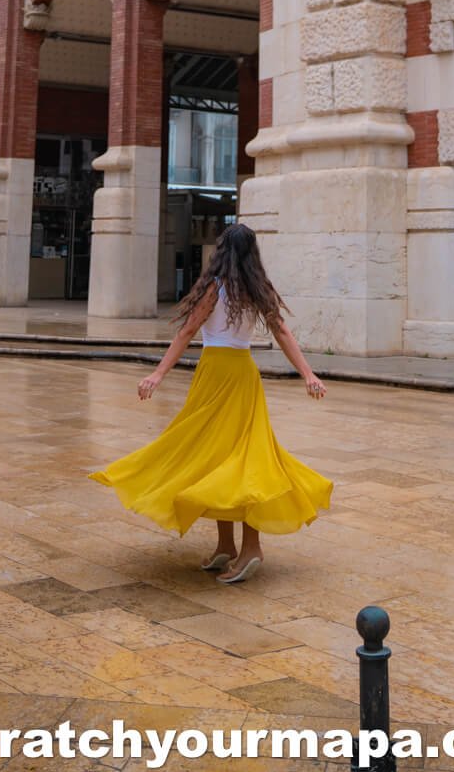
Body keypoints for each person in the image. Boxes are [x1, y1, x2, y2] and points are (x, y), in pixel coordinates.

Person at [88, 221, 331, 584]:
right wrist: (308, 374)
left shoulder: (215, 288)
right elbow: (282, 332)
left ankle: (250, 549)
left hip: (215, 375)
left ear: (221, 253)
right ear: (252, 255)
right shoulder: (258, 289)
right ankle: (227, 547)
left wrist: (158, 374)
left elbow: (187, 332)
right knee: (229, 458)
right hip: (244, 376)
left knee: (228, 459)